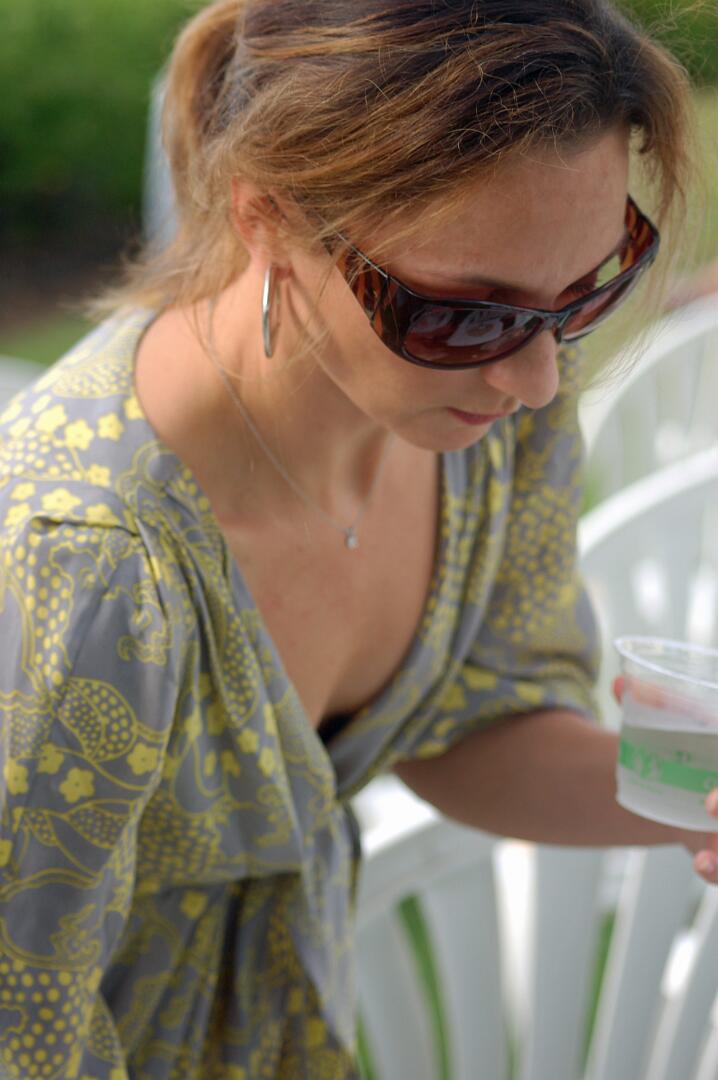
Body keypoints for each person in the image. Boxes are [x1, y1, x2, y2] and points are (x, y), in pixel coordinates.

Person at [1, 2, 717, 1077]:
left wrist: (702, 780)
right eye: (463, 314)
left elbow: (472, 729)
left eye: (586, 290)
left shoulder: (487, 415)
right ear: (267, 217)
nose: (535, 378)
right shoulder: (86, 569)